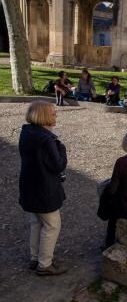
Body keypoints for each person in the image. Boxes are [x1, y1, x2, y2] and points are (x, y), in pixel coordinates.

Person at [19, 101, 68, 275]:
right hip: (44, 189)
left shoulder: (27, 132)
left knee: (37, 223)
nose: (56, 116)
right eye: (53, 114)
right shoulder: (46, 139)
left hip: (29, 186)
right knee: (52, 225)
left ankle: (35, 258)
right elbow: (58, 165)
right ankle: (44, 264)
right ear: (44, 116)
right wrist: (62, 148)